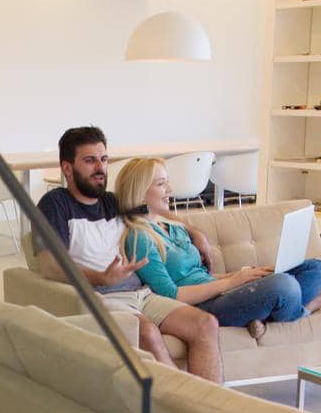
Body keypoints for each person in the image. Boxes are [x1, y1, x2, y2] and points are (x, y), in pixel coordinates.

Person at [35, 124, 224, 382]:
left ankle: (212, 409)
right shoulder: (55, 204)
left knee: (205, 324)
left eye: (103, 159)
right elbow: (48, 265)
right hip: (101, 297)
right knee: (146, 333)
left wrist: (194, 232)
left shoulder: (113, 202)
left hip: (142, 294)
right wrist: (100, 278)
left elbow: (156, 209)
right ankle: (184, 408)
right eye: (90, 161)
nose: (100, 168)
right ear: (67, 168)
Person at [115, 157, 321, 339]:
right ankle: (301, 312)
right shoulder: (139, 236)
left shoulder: (173, 226)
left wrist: (241, 275)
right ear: (141, 192)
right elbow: (171, 295)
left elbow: (201, 276)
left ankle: (265, 316)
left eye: (167, 182)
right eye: (162, 184)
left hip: (222, 292)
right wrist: (231, 282)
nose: (170, 189)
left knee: (318, 268)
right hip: (203, 307)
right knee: (284, 285)